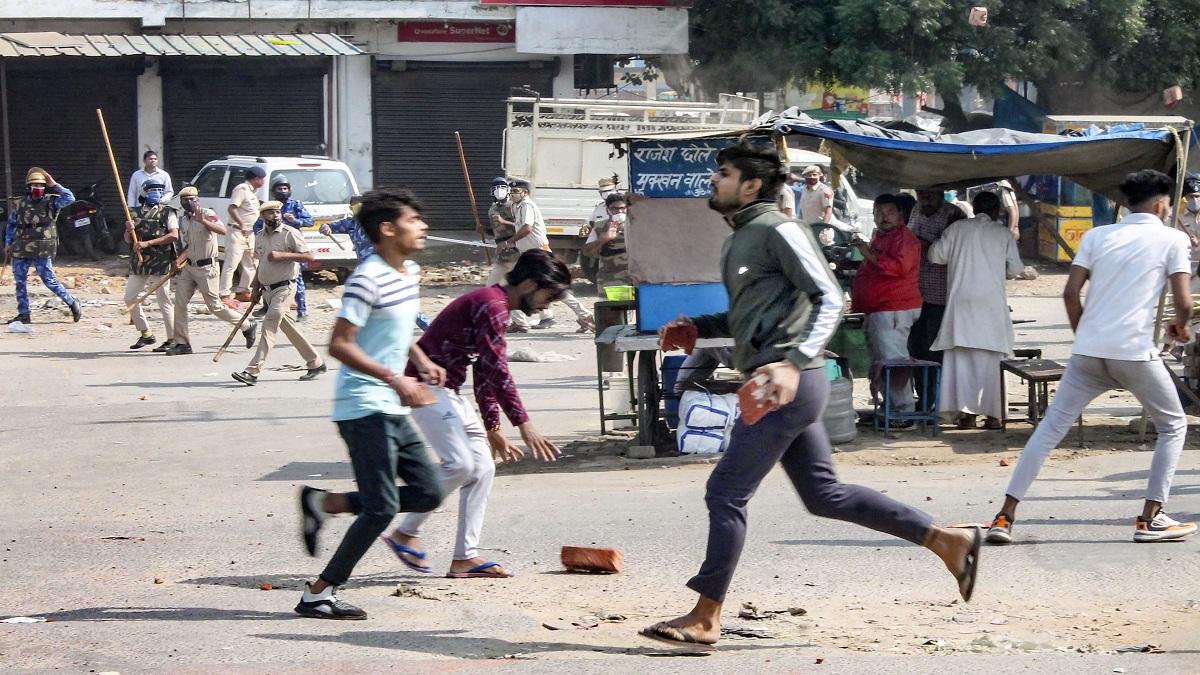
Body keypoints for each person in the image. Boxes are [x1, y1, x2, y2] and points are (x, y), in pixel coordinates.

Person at [639, 138, 981, 649]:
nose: (715, 180)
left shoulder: (780, 229)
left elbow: (831, 298)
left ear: (751, 185)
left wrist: (794, 363)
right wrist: (700, 325)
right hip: (782, 381)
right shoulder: (741, 238)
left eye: (725, 173)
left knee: (725, 492)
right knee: (825, 496)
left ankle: (706, 616)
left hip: (785, 385)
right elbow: (755, 315)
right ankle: (948, 540)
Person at [986, 169, 1197, 545]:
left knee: (1050, 429)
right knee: (1173, 425)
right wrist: (1180, 327)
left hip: (1088, 351)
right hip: (1133, 351)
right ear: (1161, 205)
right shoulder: (1173, 239)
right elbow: (1183, 302)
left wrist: (1084, 335)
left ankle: (1004, 516)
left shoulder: (1098, 235)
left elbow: (1070, 293)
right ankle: (1150, 518)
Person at [294, 189, 446, 620]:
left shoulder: (409, 271)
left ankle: (324, 504)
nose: (423, 226)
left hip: (391, 404)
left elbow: (397, 328)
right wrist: (395, 378)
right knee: (381, 507)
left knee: (428, 492)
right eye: (414, 220)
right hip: (363, 406)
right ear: (387, 229)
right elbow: (340, 344)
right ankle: (319, 593)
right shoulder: (367, 278)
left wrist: (420, 359)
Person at [382, 249, 566, 579]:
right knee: (459, 465)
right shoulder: (492, 305)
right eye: (548, 296)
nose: (546, 306)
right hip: (425, 388)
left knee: (482, 468)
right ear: (528, 284)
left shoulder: (496, 306)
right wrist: (524, 425)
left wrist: (494, 426)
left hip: (449, 393)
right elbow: (497, 370)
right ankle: (402, 530)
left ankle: (465, 557)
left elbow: (484, 370)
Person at [928, 192, 1024, 429]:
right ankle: (994, 416)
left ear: (973, 207)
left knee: (962, 362)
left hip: (961, 305)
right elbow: (1015, 269)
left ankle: (967, 415)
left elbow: (935, 255)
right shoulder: (1002, 233)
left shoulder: (957, 229)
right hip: (991, 306)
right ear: (997, 211)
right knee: (992, 362)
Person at [231, 201, 325, 386]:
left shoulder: (290, 233)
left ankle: (252, 371)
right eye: (271, 212)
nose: (275, 215)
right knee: (289, 327)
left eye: (277, 212)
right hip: (267, 290)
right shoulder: (259, 236)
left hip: (285, 288)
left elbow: (309, 256)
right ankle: (316, 363)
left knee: (269, 325)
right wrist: (255, 288)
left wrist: (282, 256)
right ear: (262, 216)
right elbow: (261, 264)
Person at [850, 194, 923, 424]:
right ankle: (890, 408)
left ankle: (904, 413)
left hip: (894, 308)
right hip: (879, 308)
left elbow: (899, 268)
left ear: (900, 215)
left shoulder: (905, 239)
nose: (884, 217)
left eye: (890, 212)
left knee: (894, 361)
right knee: (882, 361)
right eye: (879, 213)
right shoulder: (881, 237)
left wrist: (867, 253)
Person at [167, 187, 257, 356]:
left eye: (193, 199)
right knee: (179, 303)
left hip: (207, 268)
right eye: (186, 200)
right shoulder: (184, 220)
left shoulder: (207, 214)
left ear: (198, 200)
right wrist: (179, 260)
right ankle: (182, 343)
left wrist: (203, 221)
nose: (190, 202)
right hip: (189, 267)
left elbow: (223, 231)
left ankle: (247, 325)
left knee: (215, 306)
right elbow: (189, 244)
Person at [505, 178, 594, 333]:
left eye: (516, 191)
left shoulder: (526, 205)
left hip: (539, 255)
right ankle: (543, 318)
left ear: (525, 192)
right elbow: (521, 228)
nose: (512, 194)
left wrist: (510, 241)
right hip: (530, 255)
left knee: (545, 287)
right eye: (511, 191)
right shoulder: (517, 206)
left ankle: (585, 316)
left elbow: (527, 228)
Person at [907, 189, 967, 408]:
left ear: (940, 194)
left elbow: (952, 252)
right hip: (916, 293)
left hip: (942, 296)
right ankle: (924, 399)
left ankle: (939, 401)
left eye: (930, 196)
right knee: (916, 348)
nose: (925, 200)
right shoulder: (916, 210)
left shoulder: (955, 216)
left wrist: (923, 244)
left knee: (936, 351)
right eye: (922, 196)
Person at [5, 167, 81, 325]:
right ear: (29, 187)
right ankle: (24, 314)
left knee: (49, 280)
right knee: (20, 281)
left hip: (42, 247)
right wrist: (8, 244)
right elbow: (11, 225)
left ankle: (72, 302)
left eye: (41, 185)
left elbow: (70, 198)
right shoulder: (19, 204)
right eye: (35, 185)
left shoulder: (52, 202)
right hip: (22, 246)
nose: (38, 188)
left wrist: (54, 184)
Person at [122, 180, 179, 352]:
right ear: (144, 192)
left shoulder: (168, 212)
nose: (155, 193)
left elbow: (174, 235)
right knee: (130, 297)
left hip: (160, 261)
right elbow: (127, 239)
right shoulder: (133, 212)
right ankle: (145, 333)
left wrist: (148, 243)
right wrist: (128, 229)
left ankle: (172, 338)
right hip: (139, 262)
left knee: (164, 300)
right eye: (152, 190)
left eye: (159, 190)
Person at [254, 175, 313, 321]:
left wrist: (295, 220)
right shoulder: (268, 206)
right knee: (268, 276)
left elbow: (310, 221)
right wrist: (264, 237)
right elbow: (257, 226)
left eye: (285, 188)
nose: (282, 191)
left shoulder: (296, 204)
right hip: (272, 244)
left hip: (291, 245)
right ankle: (267, 306)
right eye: (279, 188)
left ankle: (302, 310)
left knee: (295, 278)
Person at [220, 166, 264, 301]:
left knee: (252, 263)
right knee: (231, 263)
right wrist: (241, 224)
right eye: (261, 179)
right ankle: (224, 294)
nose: (263, 182)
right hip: (237, 231)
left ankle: (242, 291)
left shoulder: (253, 193)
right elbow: (232, 208)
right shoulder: (242, 189)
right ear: (256, 179)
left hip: (249, 233)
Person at [582, 192, 631, 291]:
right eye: (614, 209)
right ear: (607, 210)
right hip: (610, 280)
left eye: (623, 208)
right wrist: (604, 239)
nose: (619, 212)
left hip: (635, 279)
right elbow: (587, 252)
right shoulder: (599, 227)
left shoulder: (638, 226)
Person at [483, 177, 520, 286]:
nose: (499, 190)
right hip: (501, 255)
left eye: (502, 187)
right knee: (491, 285)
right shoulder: (492, 209)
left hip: (515, 253)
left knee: (516, 285)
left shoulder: (513, 207)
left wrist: (503, 221)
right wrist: (484, 230)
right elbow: (497, 232)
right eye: (496, 188)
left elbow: (521, 227)